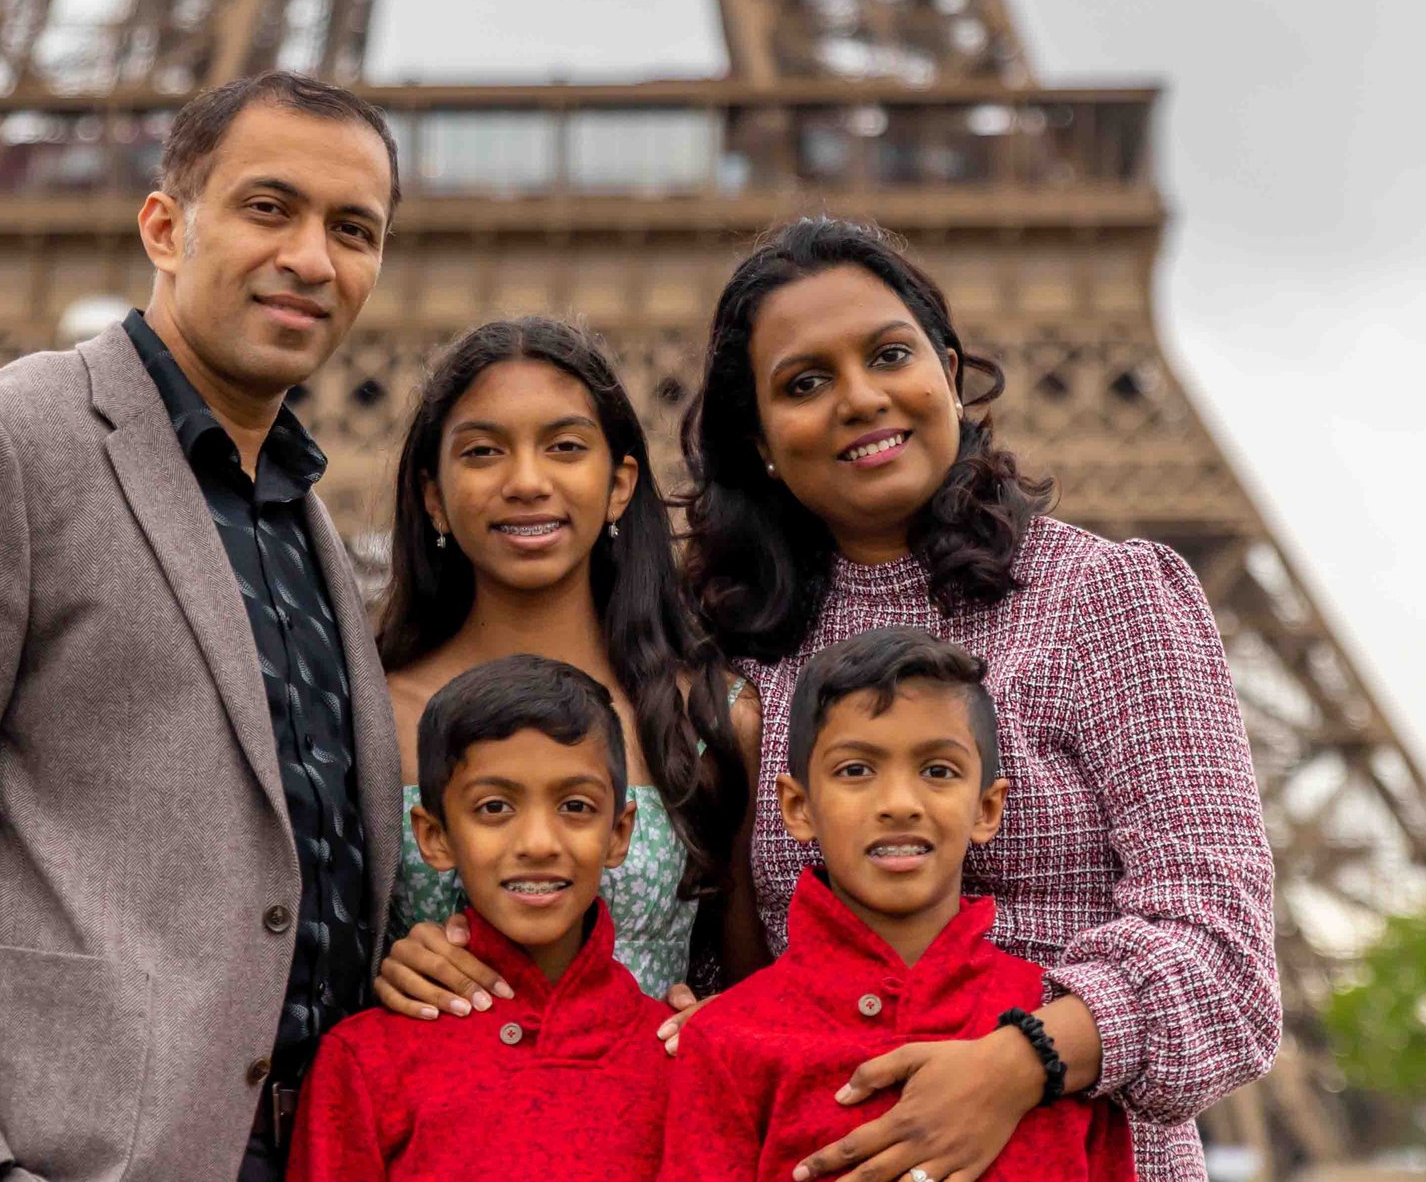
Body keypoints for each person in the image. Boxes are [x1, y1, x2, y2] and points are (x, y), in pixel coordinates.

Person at [0, 72, 405, 1182]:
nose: (313, 257)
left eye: (352, 228)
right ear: (165, 225)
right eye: (271, 207)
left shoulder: (302, 516)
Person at [677, 217, 1281, 1182]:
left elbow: (1226, 960)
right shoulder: (737, 661)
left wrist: (1020, 1060)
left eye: (888, 354)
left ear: (948, 370)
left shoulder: (1106, 597)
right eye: (805, 381)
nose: (861, 398)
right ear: (757, 439)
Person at [366, 319, 758, 1012]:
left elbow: (756, 986)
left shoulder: (712, 718)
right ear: (434, 494)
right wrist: (382, 967)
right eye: (484, 451)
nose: (526, 480)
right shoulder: (366, 713)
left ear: (619, 483)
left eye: (566, 446)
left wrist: (714, 1023)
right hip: (432, 1111)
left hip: (648, 1111)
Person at [664, 629, 1135, 1182]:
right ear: (796, 807)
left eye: (937, 771)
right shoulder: (729, 1041)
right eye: (856, 770)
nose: (899, 805)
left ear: (987, 809)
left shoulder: (1055, 1042)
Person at [287, 656, 675, 1182]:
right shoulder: (368, 1062)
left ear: (619, 833)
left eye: (576, 806)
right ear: (434, 836)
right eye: (494, 807)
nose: (538, 844)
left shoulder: (679, 1054)